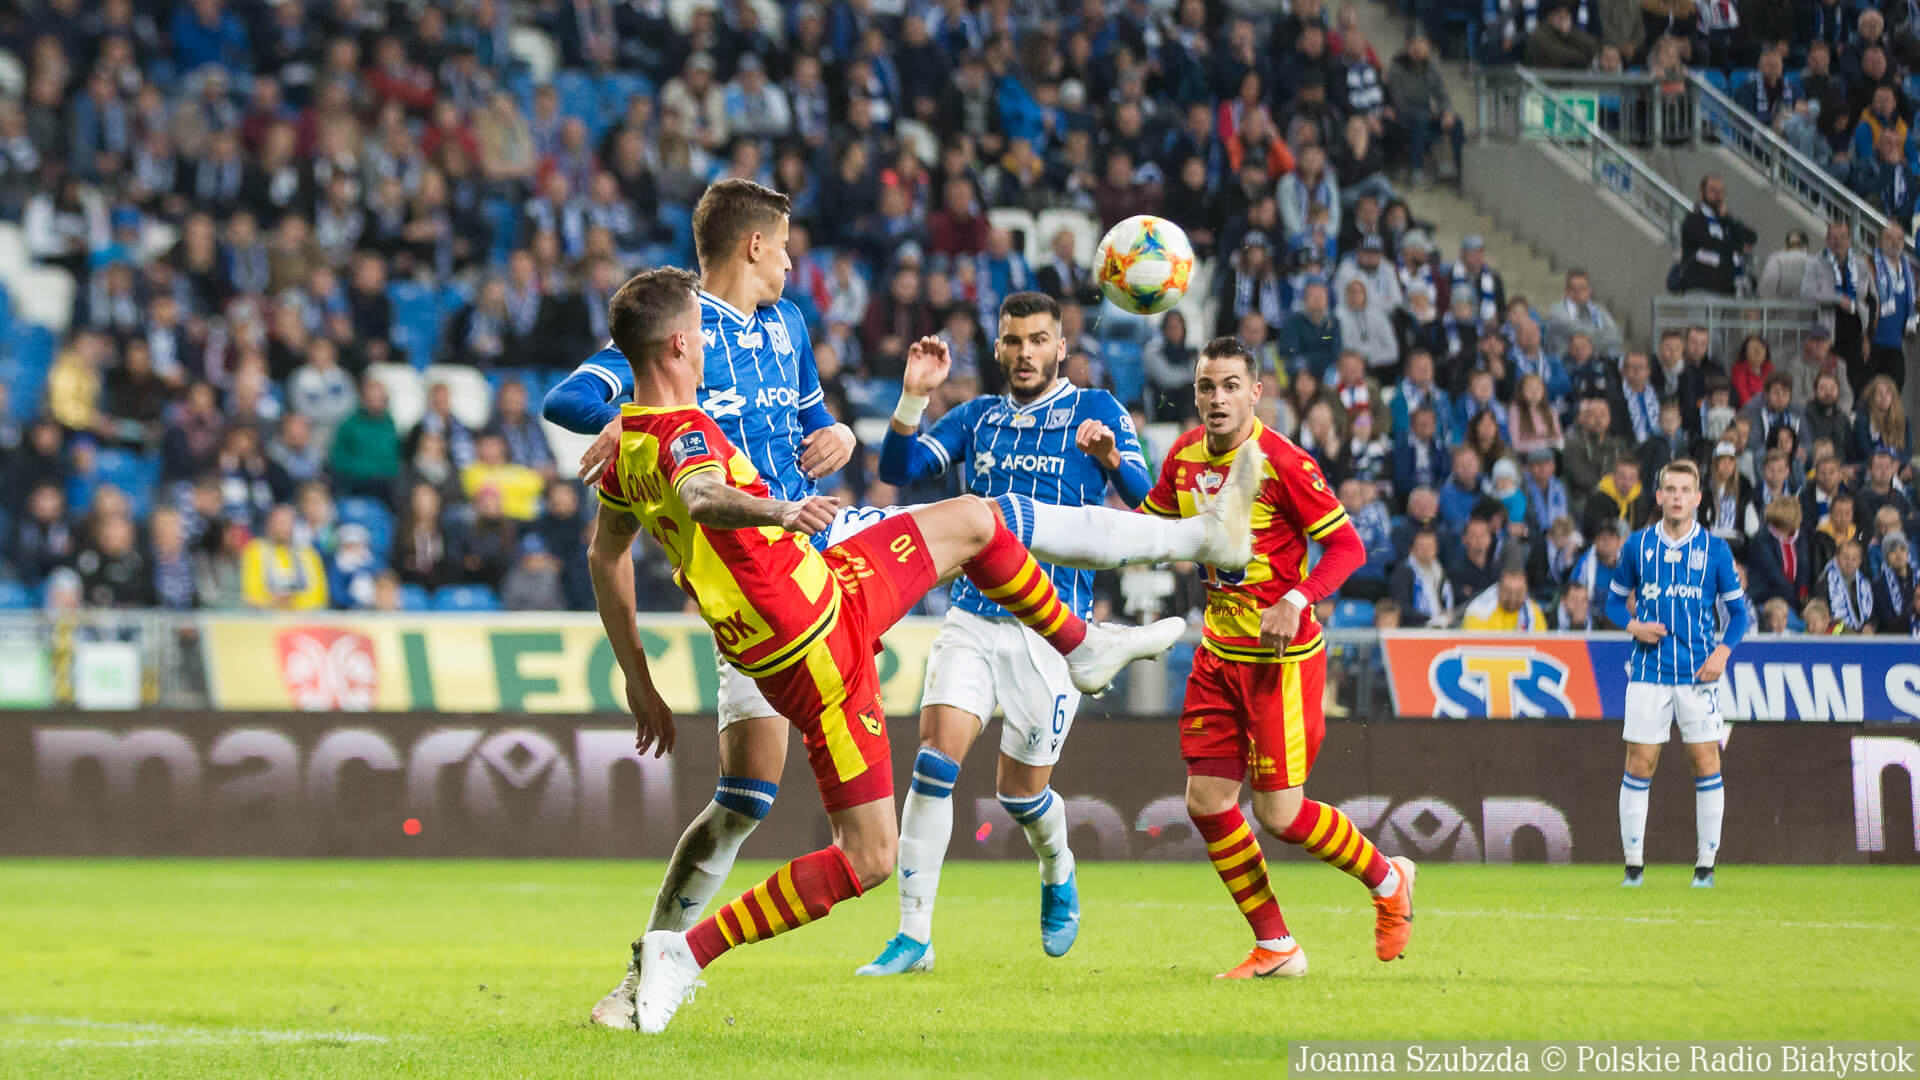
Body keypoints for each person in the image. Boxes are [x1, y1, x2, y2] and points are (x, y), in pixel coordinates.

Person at [593, 269, 1191, 1034]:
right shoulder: (685, 435)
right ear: (680, 342)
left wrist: (637, 680)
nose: (711, 345)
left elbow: (603, 558)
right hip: (817, 642)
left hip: (814, 600)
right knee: (869, 857)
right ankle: (685, 954)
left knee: (975, 519)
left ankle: (1082, 646)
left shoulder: (626, 450)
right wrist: (782, 506)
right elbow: (706, 494)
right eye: (702, 336)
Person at [859, 291, 1155, 975]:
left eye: (1039, 340)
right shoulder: (976, 419)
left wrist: (1112, 460)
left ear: (1061, 346)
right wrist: (911, 398)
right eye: (1014, 341)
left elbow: (1147, 499)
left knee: (1021, 793)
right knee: (935, 760)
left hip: (1053, 631)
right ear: (998, 347)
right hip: (972, 614)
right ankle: (914, 935)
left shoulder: (1097, 410)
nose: (1026, 353)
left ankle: (1058, 866)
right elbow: (896, 472)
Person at [1135, 334, 1411, 980]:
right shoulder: (1183, 454)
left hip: (1278, 663)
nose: (1217, 398)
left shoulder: (1285, 462)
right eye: (1207, 386)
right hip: (1216, 653)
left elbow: (1347, 548)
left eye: (1231, 385)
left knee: (1280, 815)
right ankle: (1277, 945)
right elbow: (1150, 527)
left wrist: (1298, 595)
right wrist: (1110, 465)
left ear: (1256, 392)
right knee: (1206, 800)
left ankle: (1389, 878)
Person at [1603, 459, 1751, 889]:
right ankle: (1633, 868)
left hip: (1698, 673)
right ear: (1659, 496)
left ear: (1698, 498)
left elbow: (1738, 614)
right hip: (1648, 671)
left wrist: (1724, 650)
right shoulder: (1637, 545)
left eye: (1685, 490)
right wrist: (1634, 626)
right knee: (1639, 761)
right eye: (1670, 489)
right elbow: (1613, 603)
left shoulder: (1715, 550)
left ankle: (1704, 868)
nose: (1677, 497)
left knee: (1705, 760)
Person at [1677, 175, 1755, 296]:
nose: (1718, 195)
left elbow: (1750, 237)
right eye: (1713, 190)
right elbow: (1709, 242)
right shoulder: (1694, 218)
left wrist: (1729, 220)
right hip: (1701, 287)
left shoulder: (1726, 220)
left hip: (1729, 287)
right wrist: (1738, 247)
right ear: (1702, 192)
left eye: (1721, 191)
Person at [1866, 224, 1915, 390]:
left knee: (1893, 396)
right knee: (1868, 395)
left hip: (1895, 346)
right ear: (1879, 241)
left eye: (1899, 238)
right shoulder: (1870, 265)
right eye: (1889, 237)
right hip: (1872, 344)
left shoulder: (1909, 271)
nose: (1895, 242)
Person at [1460, 567, 1548, 630]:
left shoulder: (1532, 611)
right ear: (1498, 589)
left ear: (1526, 591)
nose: (1513, 598)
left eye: (1518, 593)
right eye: (1508, 592)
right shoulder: (1479, 611)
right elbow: (1476, 649)